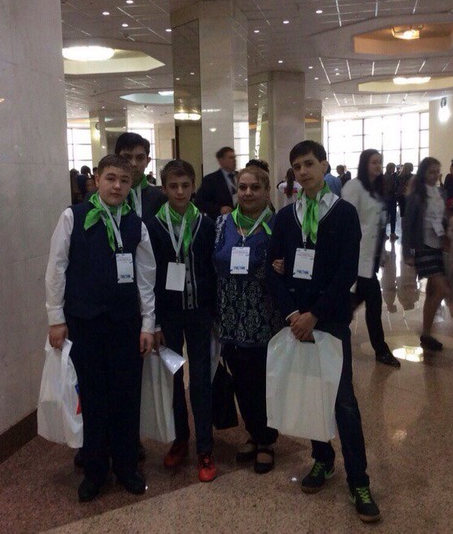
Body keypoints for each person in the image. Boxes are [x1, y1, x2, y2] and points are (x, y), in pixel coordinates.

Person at [268, 140, 381, 523]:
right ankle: (322, 458)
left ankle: (359, 480)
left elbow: (346, 270)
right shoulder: (287, 216)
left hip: (329, 320)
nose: (303, 172)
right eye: (297, 166)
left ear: (324, 165)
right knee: (311, 391)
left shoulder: (344, 213)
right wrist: (293, 314)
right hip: (296, 320)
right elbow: (273, 268)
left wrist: (314, 315)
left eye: (309, 164)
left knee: (343, 401)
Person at [45, 154, 156, 502]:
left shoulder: (136, 224)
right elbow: (56, 268)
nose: (117, 186)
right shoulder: (73, 217)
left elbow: (146, 278)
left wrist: (148, 324)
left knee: (126, 397)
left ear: (131, 184)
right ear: (96, 178)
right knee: (91, 398)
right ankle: (95, 470)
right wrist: (56, 318)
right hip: (85, 323)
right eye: (111, 178)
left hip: (125, 325)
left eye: (124, 180)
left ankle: (126, 466)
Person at [147, 160, 217, 482]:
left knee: (201, 380)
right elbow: (148, 276)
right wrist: (155, 323)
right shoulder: (152, 226)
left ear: (193, 186)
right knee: (174, 379)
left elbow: (212, 271)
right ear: (163, 189)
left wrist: (215, 314)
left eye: (185, 185)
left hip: (200, 314)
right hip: (169, 318)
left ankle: (205, 447)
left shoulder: (206, 224)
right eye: (173, 186)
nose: (179, 192)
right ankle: (180, 439)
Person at [213, 166, 282, 475]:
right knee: (240, 381)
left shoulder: (277, 225)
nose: (248, 193)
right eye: (243, 187)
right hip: (229, 318)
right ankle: (253, 432)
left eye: (255, 187)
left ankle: (266, 440)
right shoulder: (222, 224)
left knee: (263, 381)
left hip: (264, 318)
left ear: (266, 191)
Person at [342, 150, 400, 368]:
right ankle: (381, 350)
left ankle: (329, 329)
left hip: (370, 259)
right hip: (357, 258)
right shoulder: (354, 187)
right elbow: (347, 222)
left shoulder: (376, 190)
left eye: (380, 162)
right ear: (364, 164)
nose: (378, 166)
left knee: (353, 304)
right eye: (374, 162)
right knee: (373, 303)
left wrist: (382, 253)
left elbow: (377, 225)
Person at [402, 157, 450, 352]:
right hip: (423, 246)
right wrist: (407, 252)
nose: (435, 175)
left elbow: (443, 217)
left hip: (438, 245)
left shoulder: (441, 193)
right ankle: (426, 332)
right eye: (431, 171)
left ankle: (427, 332)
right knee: (442, 289)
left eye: (437, 171)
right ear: (423, 173)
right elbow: (407, 224)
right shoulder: (416, 196)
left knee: (432, 292)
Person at [114, 132, 166, 221]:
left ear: (147, 161)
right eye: (127, 157)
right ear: (115, 159)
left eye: (140, 158)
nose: (133, 164)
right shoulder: (102, 197)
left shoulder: (159, 198)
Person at [195, 146, 238, 220]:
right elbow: (199, 202)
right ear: (221, 160)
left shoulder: (240, 176)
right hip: (220, 220)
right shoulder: (210, 180)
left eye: (234, 157)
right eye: (231, 158)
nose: (234, 160)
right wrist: (219, 209)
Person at [382, 162, 398, 240]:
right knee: (393, 217)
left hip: (384, 199)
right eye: (393, 168)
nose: (394, 169)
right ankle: (392, 233)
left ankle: (383, 234)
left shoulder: (383, 177)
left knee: (385, 217)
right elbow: (392, 188)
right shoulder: (392, 177)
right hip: (391, 199)